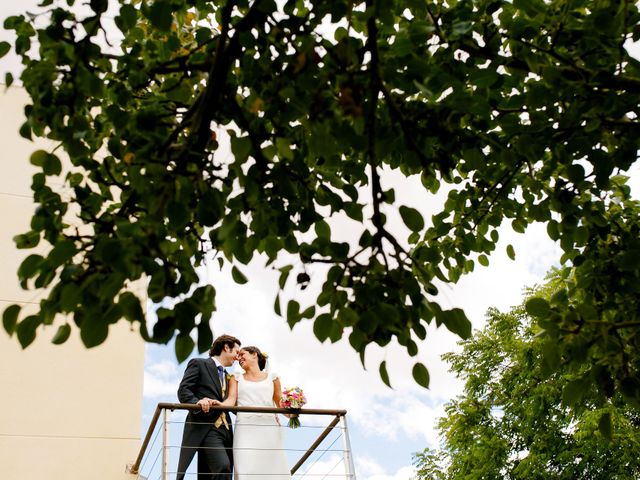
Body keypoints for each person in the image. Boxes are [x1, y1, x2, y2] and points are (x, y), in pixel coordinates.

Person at [213, 346, 291, 479]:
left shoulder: (273, 378)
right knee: (245, 467)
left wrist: (294, 410)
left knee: (271, 468)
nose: (239, 358)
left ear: (254, 354)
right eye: (238, 357)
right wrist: (221, 404)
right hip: (245, 429)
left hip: (269, 429)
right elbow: (231, 400)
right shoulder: (236, 377)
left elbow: (280, 404)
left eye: (242, 354)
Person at [176, 334, 241, 480]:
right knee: (222, 467)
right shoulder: (198, 363)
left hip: (227, 431)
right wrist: (197, 403)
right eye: (237, 352)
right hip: (206, 427)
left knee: (215, 473)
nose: (237, 357)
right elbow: (183, 391)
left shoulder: (229, 377)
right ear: (226, 348)